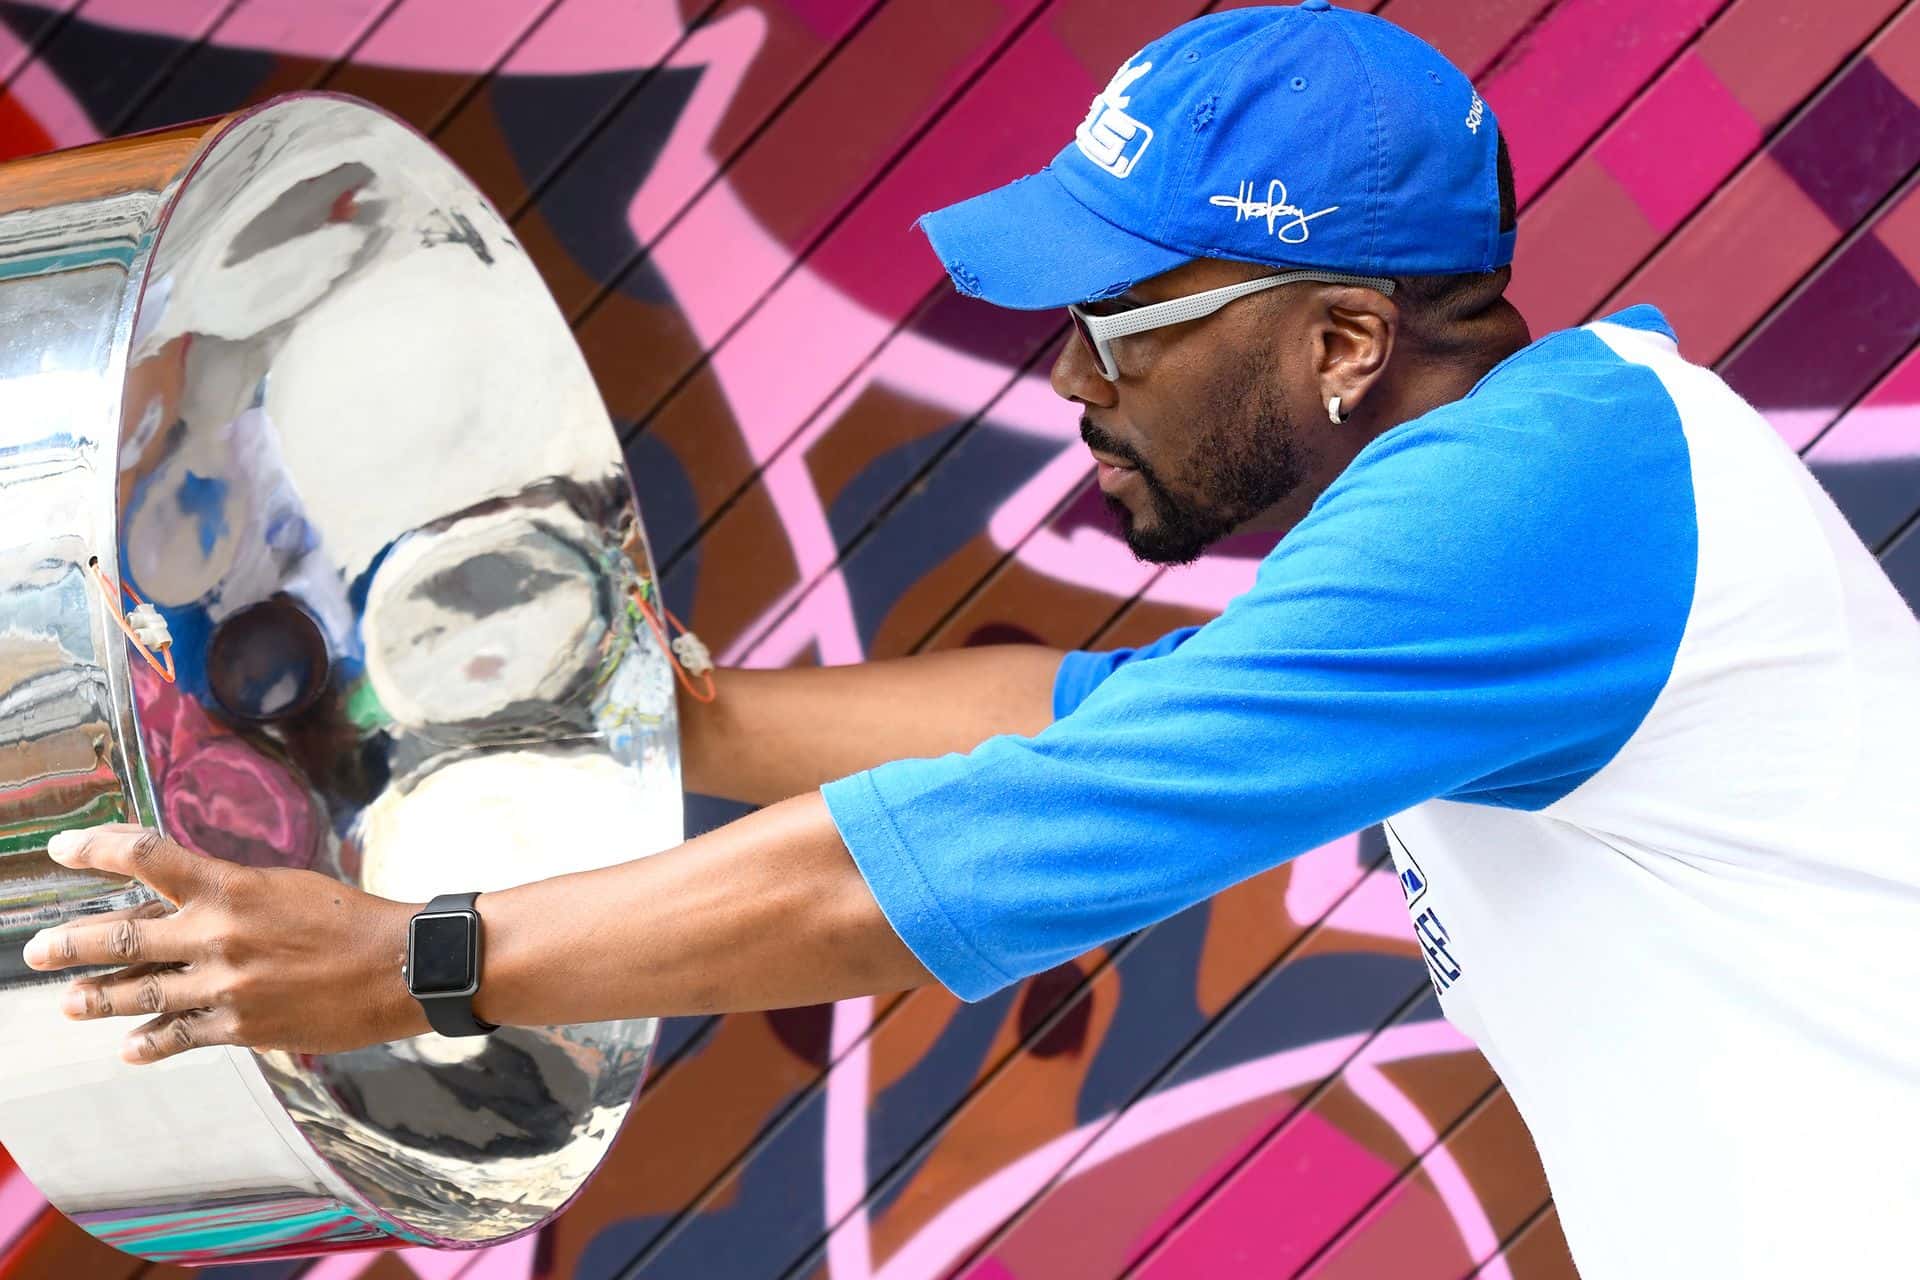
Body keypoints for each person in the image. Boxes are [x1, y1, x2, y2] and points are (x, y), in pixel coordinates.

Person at [21, 5, 1920, 1276]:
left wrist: (424, 962)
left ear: (1346, 341)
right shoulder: (1553, 495)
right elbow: (1076, 711)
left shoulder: (1539, 505)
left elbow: (992, 848)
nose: (1077, 372)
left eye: (1128, 321)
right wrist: (666, 711)